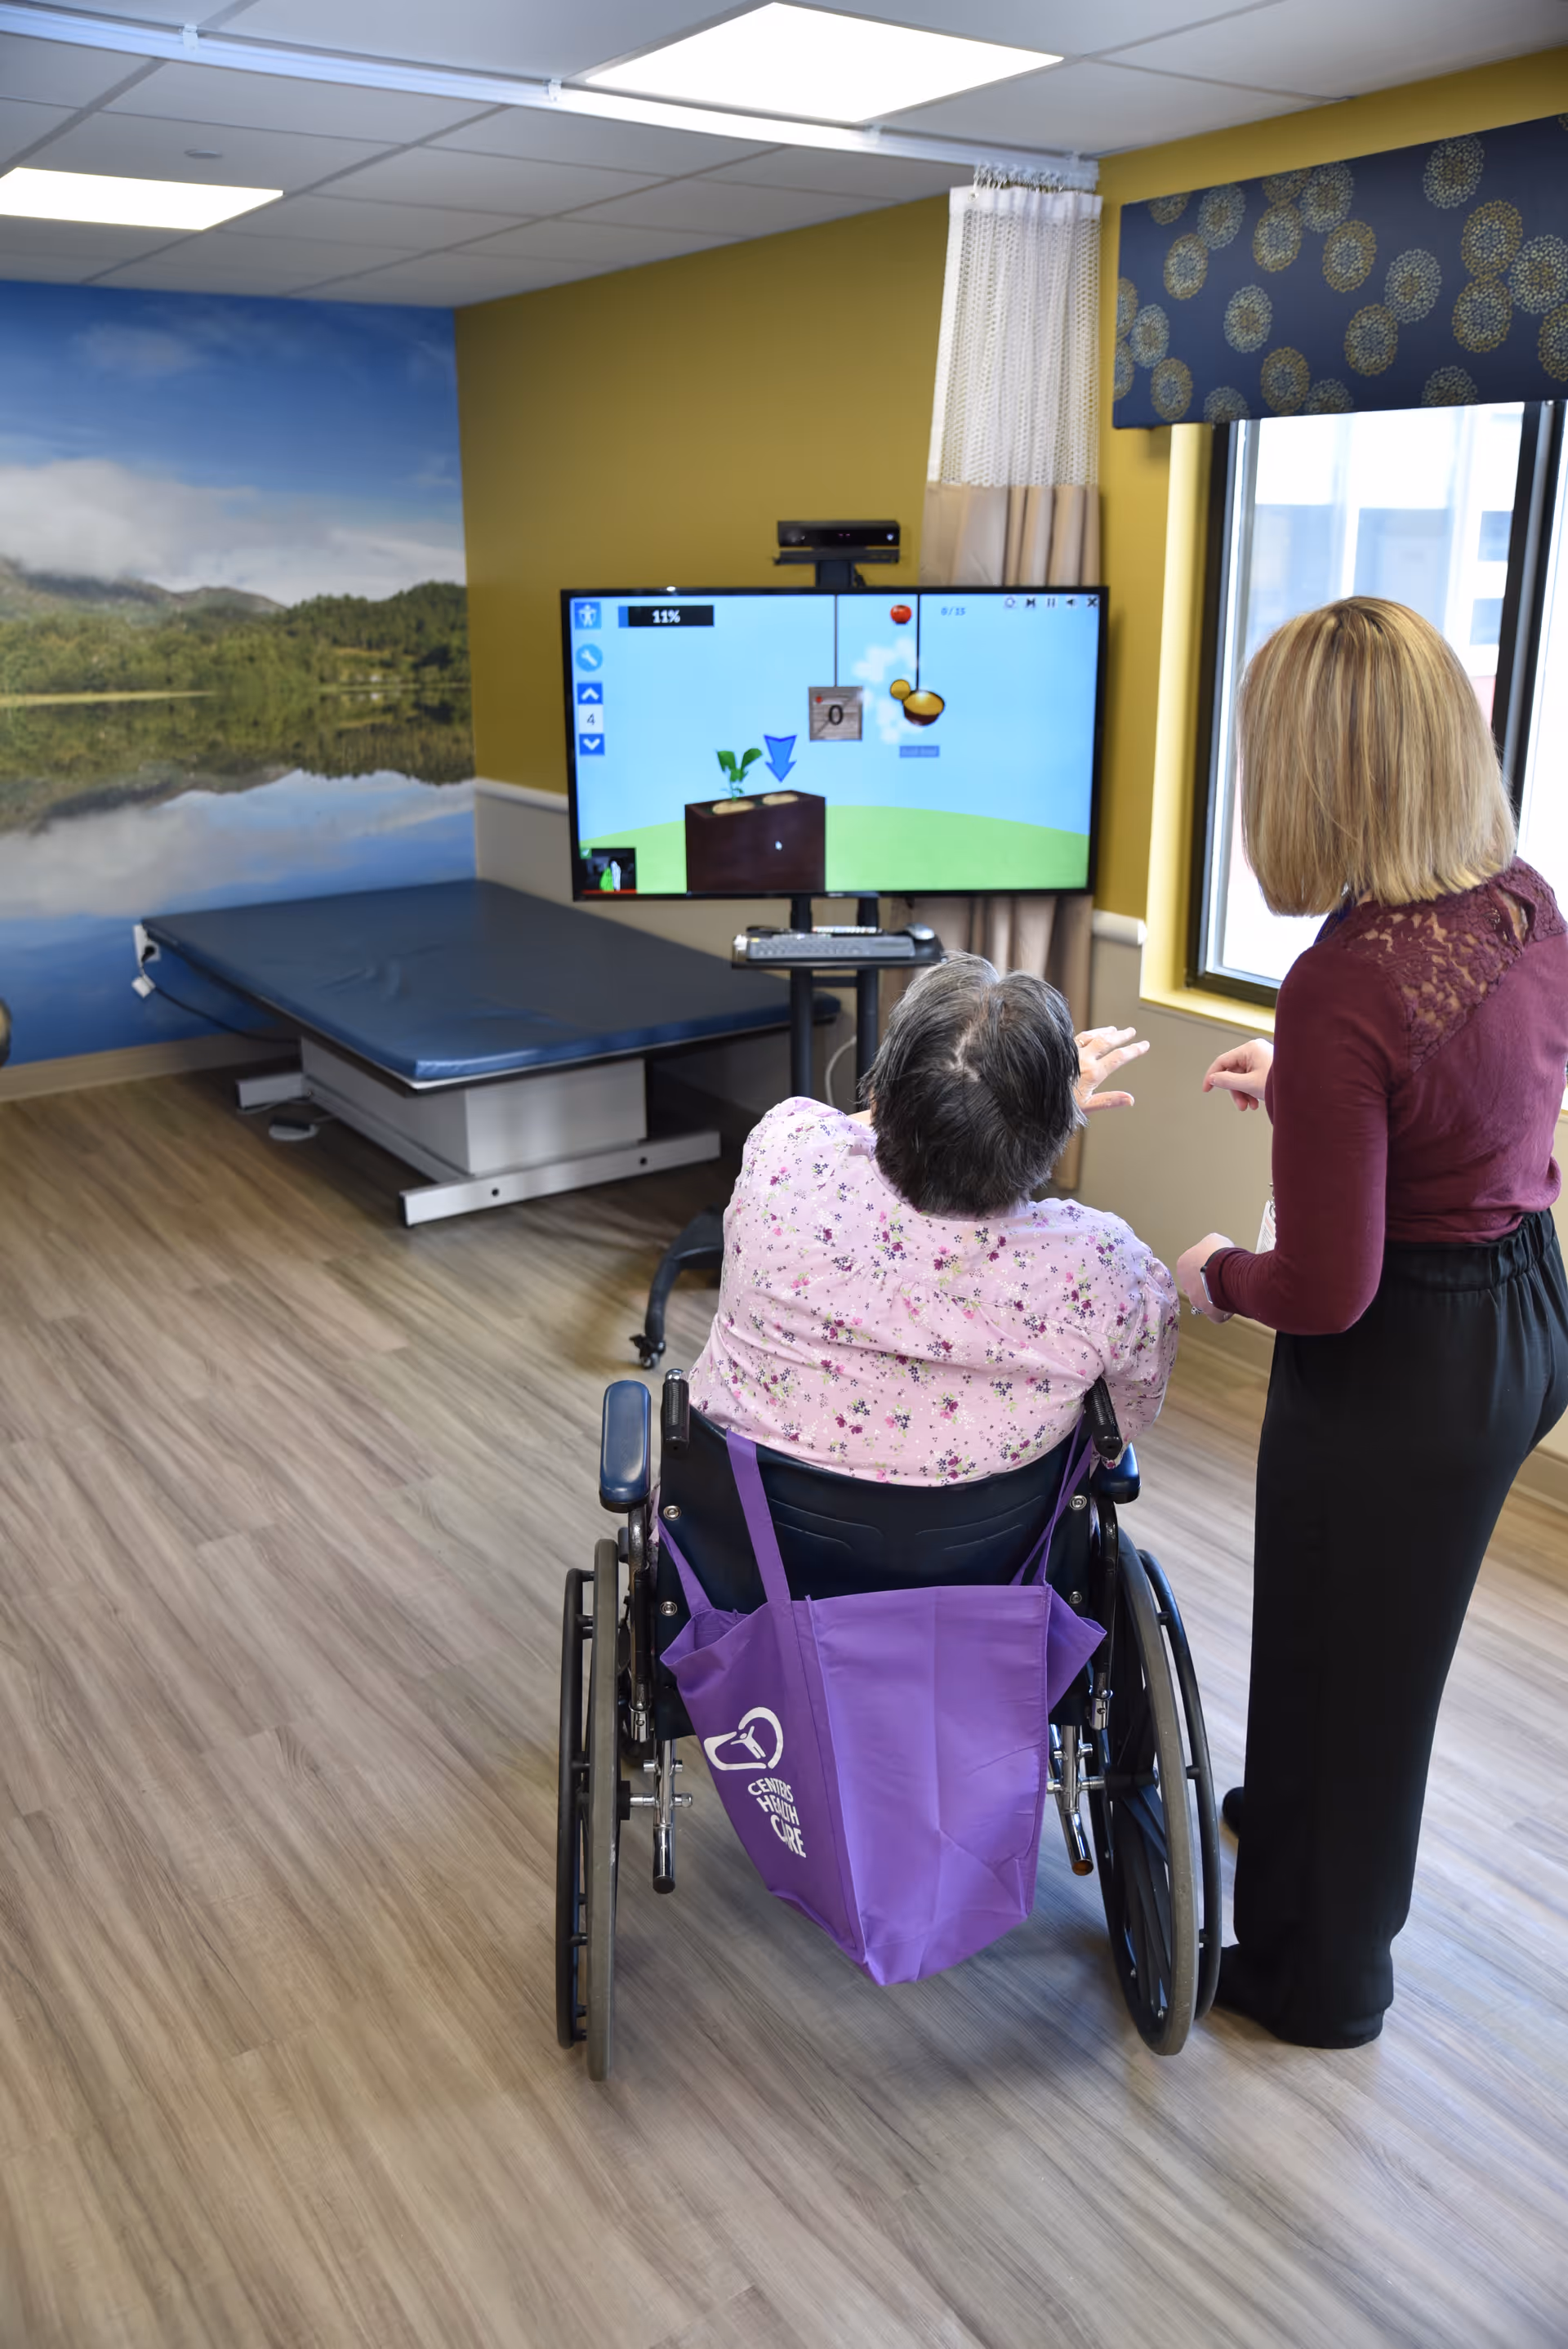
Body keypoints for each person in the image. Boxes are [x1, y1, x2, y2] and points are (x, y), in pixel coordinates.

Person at [1176, 596, 1568, 2048]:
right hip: (1526, 1310)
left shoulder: (1344, 978)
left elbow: (1326, 1287)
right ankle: (1285, 1812)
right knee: (1361, 1638)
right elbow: (1484, 1092)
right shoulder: (1522, 898)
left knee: (1357, 1662)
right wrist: (1306, 1085)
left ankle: (1315, 1980)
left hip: (1404, 1353)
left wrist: (1215, 1269)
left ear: (1324, 774)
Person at [690, 952, 1178, 1485]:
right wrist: (1036, 1105)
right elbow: (1122, 1423)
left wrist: (946, 1101)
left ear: (879, 1089)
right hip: (989, 1560)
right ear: (1058, 1133)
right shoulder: (1109, 1267)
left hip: (750, 1546)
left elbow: (841, 1127)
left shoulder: (782, 1150)